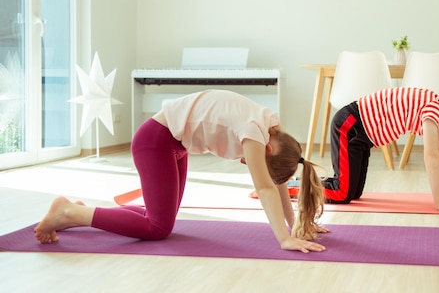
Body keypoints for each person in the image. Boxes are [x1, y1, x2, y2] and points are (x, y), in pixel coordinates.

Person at [34, 89, 328, 253]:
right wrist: (284, 240)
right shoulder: (255, 132)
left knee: (159, 220)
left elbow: (273, 184)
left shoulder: (268, 126)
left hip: (173, 145)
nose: (245, 162)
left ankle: (71, 211)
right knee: (158, 228)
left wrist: (296, 226)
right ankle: (72, 214)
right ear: (268, 150)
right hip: (155, 142)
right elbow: (265, 187)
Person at [323, 86, 439, 212]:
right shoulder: (434, 110)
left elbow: (433, 157)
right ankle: (301, 188)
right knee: (341, 194)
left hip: (361, 138)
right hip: (350, 126)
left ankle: (310, 183)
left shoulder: (438, 109)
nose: (432, 145)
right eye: (437, 147)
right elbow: (430, 156)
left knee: (354, 193)